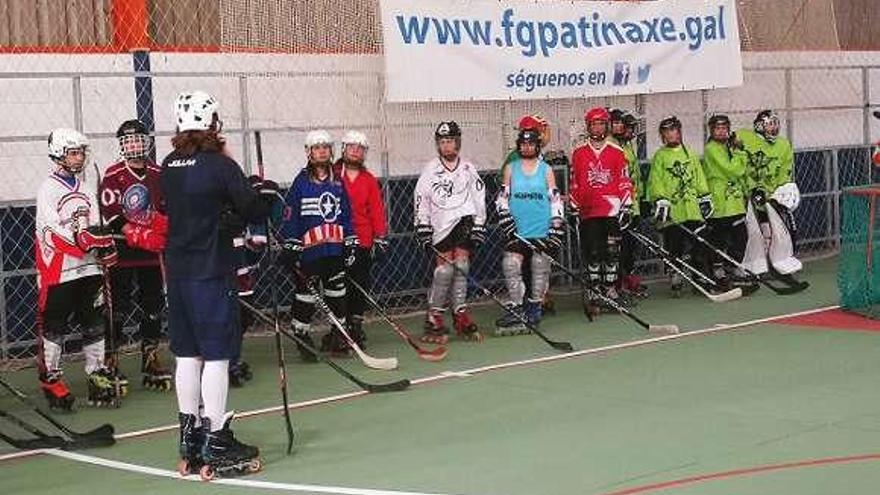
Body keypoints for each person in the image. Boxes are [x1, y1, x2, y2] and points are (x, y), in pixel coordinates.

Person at [161, 91, 274, 476]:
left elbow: (191, 210)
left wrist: (226, 215)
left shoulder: (169, 164)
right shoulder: (219, 165)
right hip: (210, 272)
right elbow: (253, 206)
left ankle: (189, 437)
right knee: (217, 356)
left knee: (187, 355)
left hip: (177, 274)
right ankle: (216, 438)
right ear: (211, 123)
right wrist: (267, 194)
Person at [35, 128, 119, 409]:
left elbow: (95, 226)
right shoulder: (48, 188)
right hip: (60, 267)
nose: (79, 157)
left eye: (81, 151)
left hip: (88, 267)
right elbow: (49, 232)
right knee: (55, 323)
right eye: (73, 152)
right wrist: (82, 240)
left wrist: (104, 246)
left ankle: (96, 372)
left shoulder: (84, 188)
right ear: (59, 154)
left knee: (93, 319)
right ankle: (51, 377)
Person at [99, 119, 171, 392]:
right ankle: (111, 358)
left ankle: (150, 356)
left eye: (139, 139)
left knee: (153, 304)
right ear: (121, 145)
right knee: (118, 306)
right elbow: (112, 211)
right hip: (123, 249)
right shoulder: (113, 173)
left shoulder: (157, 172)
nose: (134, 145)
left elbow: (164, 209)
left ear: (148, 142)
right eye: (128, 141)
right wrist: (131, 230)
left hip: (150, 251)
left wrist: (159, 229)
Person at [277, 130, 358, 360]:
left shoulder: (338, 181)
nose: (322, 151)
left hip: (334, 249)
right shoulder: (301, 181)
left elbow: (346, 215)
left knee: (337, 292)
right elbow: (291, 216)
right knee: (306, 294)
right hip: (310, 252)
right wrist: (292, 245)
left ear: (331, 151)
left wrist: (350, 242)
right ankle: (301, 332)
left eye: (325, 147)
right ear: (309, 152)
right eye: (317, 147)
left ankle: (337, 334)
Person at [414, 121, 487, 344]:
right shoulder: (430, 169)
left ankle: (460, 313)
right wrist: (422, 225)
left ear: (458, 143)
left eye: (451, 142)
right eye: (443, 142)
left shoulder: (467, 168)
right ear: (438, 144)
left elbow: (479, 196)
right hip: (440, 224)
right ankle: (434, 316)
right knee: (444, 271)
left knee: (462, 267)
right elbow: (421, 198)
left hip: (463, 221)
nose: (447, 146)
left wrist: (479, 224)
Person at [494, 128, 564, 335]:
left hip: (541, 227)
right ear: (519, 145)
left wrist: (556, 225)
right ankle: (517, 307)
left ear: (537, 146)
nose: (527, 147)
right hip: (518, 229)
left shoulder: (546, 169)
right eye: (523, 144)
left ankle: (535, 308)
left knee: (539, 265)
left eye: (530, 144)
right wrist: (504, 216)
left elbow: (555, 199)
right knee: (511, 263)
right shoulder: (511, 168)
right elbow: (502, 197)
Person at [569, 107, 633, 311]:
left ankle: (610, 290)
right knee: (593, 253)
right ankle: (595, 290)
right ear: (588, 127)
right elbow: (575, 182)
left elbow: (623, 180)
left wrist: (626, 205)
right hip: (589, 211)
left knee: (612, 252)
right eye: (593, 124)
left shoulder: (617, 152)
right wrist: (573, 203)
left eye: (601, 123)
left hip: (611, 210)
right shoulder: (579, 153)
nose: (597, 127)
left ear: (607, 126)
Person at [332, 130, 388, 347]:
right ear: (343, 148)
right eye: (351, 147)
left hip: (363, 240)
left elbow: (376, 211)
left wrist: (380, 237)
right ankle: (338, 328)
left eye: (360, 148)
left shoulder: (369, 180)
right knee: (338, 285)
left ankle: (355, 326)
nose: (355, 151)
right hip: (337, 240)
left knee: (359, 285)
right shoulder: (333, 174)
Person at [647, 115, 713, 297]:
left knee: (698, 244)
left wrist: (704, 195)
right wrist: (659, 198)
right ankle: (676, 276)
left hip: (691, 208)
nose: (671, 135)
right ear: (663, 136)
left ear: (679, 132)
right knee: (674, 246)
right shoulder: (660, 156)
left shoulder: (689, 153)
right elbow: (655, 181)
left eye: (673, 130)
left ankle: (699, 277)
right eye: (666, 132)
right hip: (673, 211)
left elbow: (699, 176)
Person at [736, 110, 803, 278]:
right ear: (759, 126)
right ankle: (755, 265)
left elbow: (783, 173)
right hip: (748, 194)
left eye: (775, 124)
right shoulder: (744, 137)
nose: (773, 129)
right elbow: (737, 163)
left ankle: (778, 262)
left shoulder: (783, 145)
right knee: (755, 230)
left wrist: (779, 193)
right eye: (769, 124)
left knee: (778, 229)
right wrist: (748, 189)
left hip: (770, 195)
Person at [701, 114, 749, 287]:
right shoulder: (711, 148)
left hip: (734, 202)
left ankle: (733, 265)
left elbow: (740, 173)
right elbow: (732, 170)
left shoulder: (728, 147)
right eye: (717, 129)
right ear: (712, 131)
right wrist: (739, 152)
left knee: (741, 235)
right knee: (718, 238)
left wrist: (746, 190)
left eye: (724, 129)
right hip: (720, 200)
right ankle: (718, 268)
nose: (721, 132)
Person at [609, 109, 648, 298]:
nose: (631, 131)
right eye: (628, 126)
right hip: (618, 205)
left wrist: (641, 200)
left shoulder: (626, 145)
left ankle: (627, 277)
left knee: (630, 245)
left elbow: (634, 177)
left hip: (632, 203)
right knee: (619, 245)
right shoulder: (611, 145)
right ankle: (618, 281)